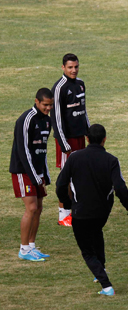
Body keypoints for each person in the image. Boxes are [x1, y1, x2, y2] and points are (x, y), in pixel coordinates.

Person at [56, 124, 128, 296]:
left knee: (87, 251)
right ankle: (102, 269)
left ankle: (106, 286)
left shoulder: (75, 157)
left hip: (80, 213)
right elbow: (121, 188)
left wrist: (66, 203)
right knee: (96, 232)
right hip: (102, 213)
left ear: (86, 139)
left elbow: (60, 184)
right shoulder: (111, 160)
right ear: (104, 139)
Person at [10, 88, 54, 262]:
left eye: (50, 105)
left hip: (37, 172)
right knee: (31, 208)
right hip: (23, 170)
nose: (48, 108)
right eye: (45, 105)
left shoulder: (47, 122)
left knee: (39, 208)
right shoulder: (26, 119)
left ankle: (31, 246)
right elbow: (23, 150)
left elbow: (42, 151)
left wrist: (45, 174)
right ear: (36, 101)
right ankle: (23, 249)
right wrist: (34, 175)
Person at [52, 53, 90, 227]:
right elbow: (56, 119)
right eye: (70, 67)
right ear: (63, 68)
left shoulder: (80, 84)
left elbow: (83, 111)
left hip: (80, 137)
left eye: (76, 67)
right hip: (66, 140)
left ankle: (75, 211)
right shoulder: (59, 88)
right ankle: (63, 214)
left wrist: (89, 133)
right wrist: (63, 143)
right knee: (65, 177)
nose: (73, 70)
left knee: (78, 174)